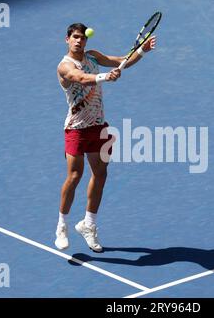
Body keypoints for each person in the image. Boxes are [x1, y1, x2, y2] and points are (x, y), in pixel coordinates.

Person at [55, 23, 156, 252]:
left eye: (82, 38)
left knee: (100, 174)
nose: (79, 41)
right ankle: (62, 225)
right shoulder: (64, 66)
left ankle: (88, 225)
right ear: (67, 40)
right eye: (75, 37)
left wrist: (141, 51)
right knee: (74, 176)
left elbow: (121, 60)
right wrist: (104, 77)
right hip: (76, 129)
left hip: (98, 127)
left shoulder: (92, 56)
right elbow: (80, 78)